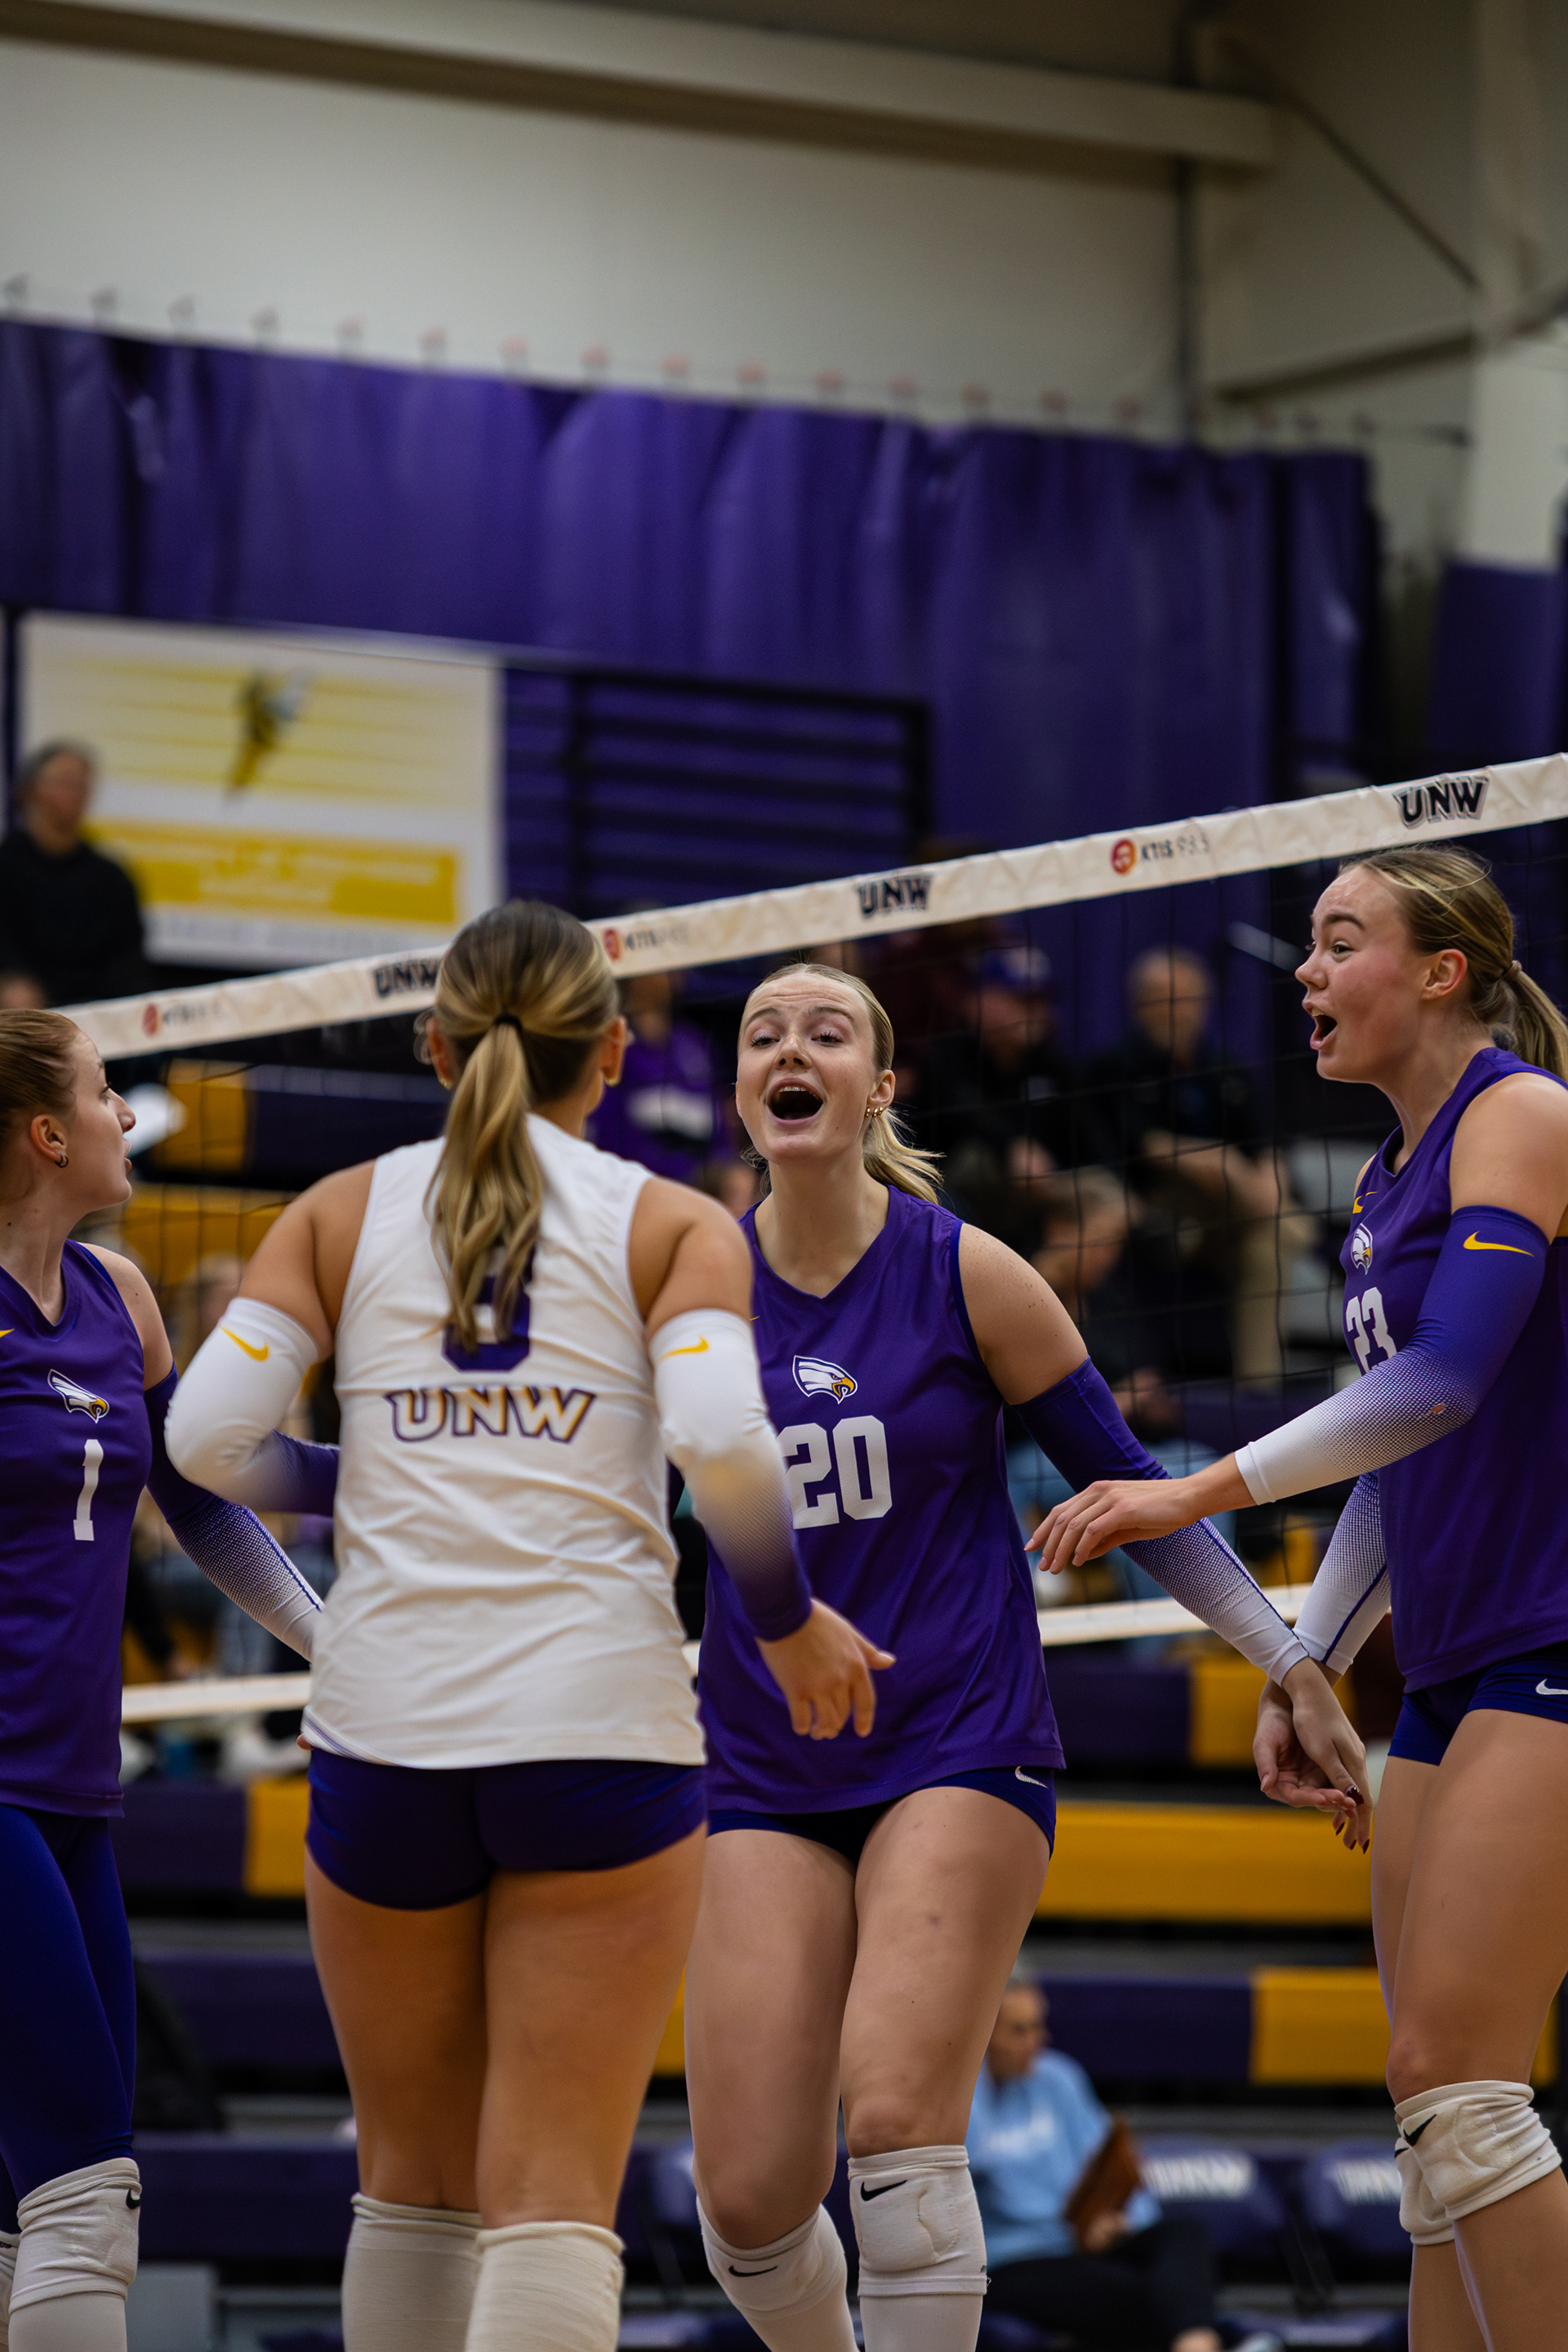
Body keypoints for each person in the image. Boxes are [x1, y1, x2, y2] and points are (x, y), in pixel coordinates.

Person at [167, 901, 880, 2352]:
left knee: (410, 2186)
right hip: (597, 1732)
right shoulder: (671, 1223)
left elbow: (206, 1440)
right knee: (554, 2195)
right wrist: (788, 1619)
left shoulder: (338, 1212)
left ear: (435, 1048)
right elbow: (723, 1444)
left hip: (386, 1731)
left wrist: (373, 1467)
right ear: (611, 1054)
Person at [683, 961, 1365, 2352]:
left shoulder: (968, 1270)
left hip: (956, 1736)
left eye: (827, 1033)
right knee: (746, 2203)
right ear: (743, 1090)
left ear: (881, 1087)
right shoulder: (688, 1292)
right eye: (764, 1035)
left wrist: (1292, 1661)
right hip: (759, 1758)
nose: (791, 1050)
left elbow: (1135, 1495)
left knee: (894, 2121)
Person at [1031, 846, 1568, 2352]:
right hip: (1459, 1659)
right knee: (1432, 2112)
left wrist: (1190, 1494)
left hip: (1554, 1635)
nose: (1308, 976)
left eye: (1339, 943)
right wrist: (1306, 1660)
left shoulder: (1521, 1116)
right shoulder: (1387, 1186)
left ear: (1442, 972)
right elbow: (1398, 1461)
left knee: (1461, 2083)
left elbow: (1444, 1385)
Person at [0, 1011, 332, 2352]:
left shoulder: (121, 1294)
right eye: (103, 1094)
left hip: (75, 1793)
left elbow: (203, 1497)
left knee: (38, 2200)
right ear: (45, 1134)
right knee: (87, 2187)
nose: (128, 1115)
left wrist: (337, 1647)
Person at [968, 1976, 1270, 2352]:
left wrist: (1119, 2221)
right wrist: (974, 2073)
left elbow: (1107, 2158)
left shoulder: (1058, 2077)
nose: (1037, 2040)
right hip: (1011, 2261)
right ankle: (1228, 2340)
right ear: (982, 2034)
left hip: (1080, 2242)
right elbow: (972, 2161)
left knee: (1184, 2234)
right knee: (1143, 2292)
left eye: (1039, 2025)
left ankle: (1199, 2345)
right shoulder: (963, 2095)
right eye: (1019, 2030)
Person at [1087, 947, 1312, 1384]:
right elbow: (1145, 1147)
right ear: (1138, 1005)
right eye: (1162, 998)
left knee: (1269, 1243)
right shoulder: (1114, 1069)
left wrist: (1269, 1183)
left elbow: (1267, 1146)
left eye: (1186, 998)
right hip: (1161, 1217)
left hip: (1233, 1218)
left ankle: (1258, 1392)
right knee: (1276, 1222)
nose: (1176, 1010)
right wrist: (1223, 1163)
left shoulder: (1225, 1069)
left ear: (1204, 1004)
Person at [911, 946, 1102, 1209]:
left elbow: (1090, 1141)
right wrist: (1012, 1145)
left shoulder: (1055, 1066)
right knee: (976, 1161)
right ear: (979, 1002)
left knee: (1102, 1190)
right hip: (955, 1204)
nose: (1036, 1011)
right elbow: (965, 1114)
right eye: (1022, 1000)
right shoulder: (945, 1059)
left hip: (1049, 1193)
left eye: (1042, 1000)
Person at [0, 745, 146, 1006]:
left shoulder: (111, 879)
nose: (73, 792)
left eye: (81, 784)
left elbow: (127, 963)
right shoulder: (6, 866)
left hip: (94, 1011)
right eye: (62, 781)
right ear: (29, 791)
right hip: (23, 1013)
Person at [587, 967, 731, 1183]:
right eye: (664, 965)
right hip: (635, 1183)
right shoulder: (615, 1048)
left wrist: (725, 1170)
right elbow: (609, 1139)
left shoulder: (694, 1042)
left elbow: (719, 1133)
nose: (676, 971)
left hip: (699, 1183)